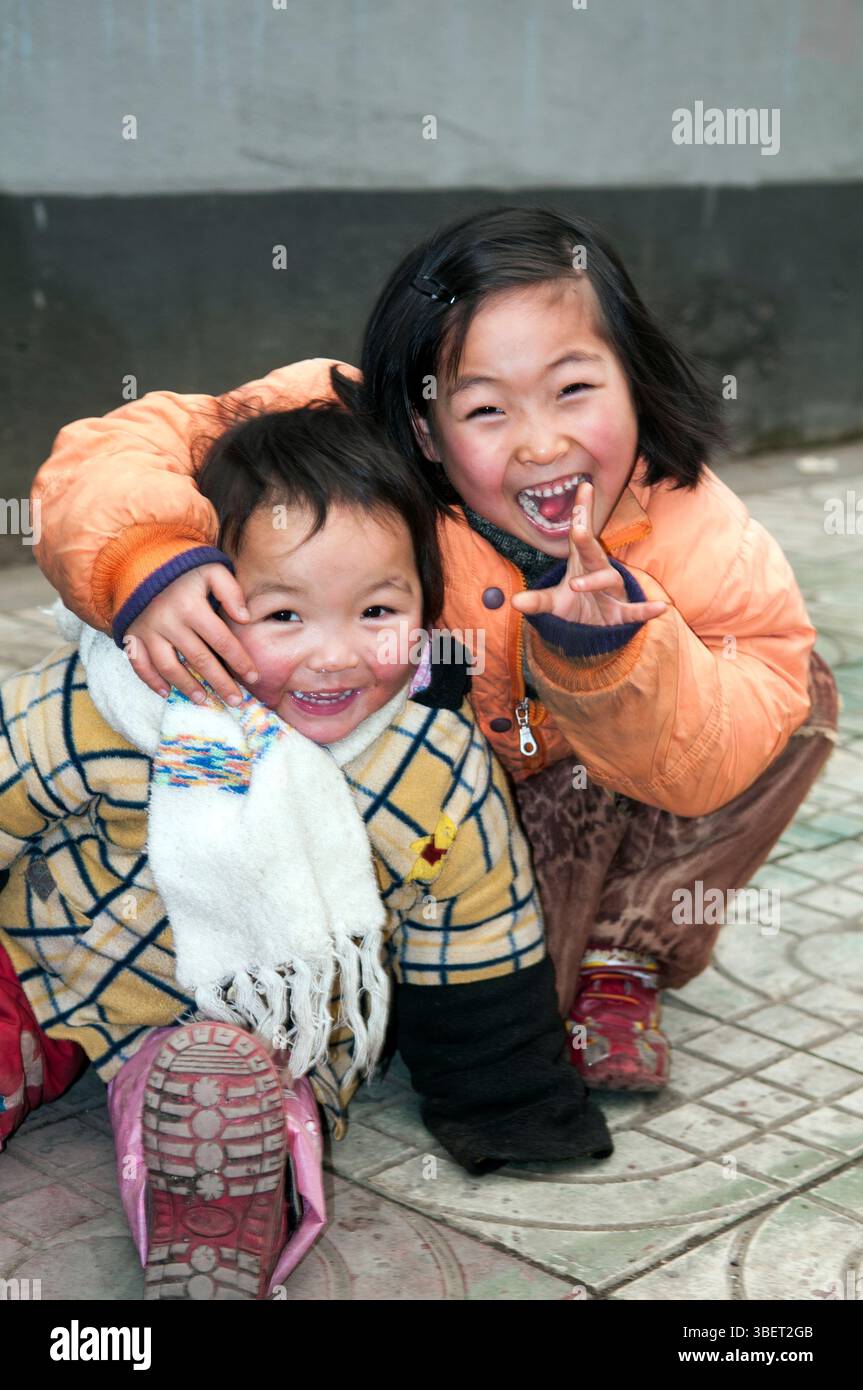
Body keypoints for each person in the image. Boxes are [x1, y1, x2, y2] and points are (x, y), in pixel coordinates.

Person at [31, 205, 838, 1095]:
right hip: (406, 804)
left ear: (635, 384)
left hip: (571, 780)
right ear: (421, 426)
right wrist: (150, 555)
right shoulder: (340, 421)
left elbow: (715, 752)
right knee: (447, 1020)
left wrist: (605, 663)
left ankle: (624, 958)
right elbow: (120, 447)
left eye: (574, 390)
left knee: (801, 693)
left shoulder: (696, 526)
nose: (542, 442)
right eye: (485, 408)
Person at [1, 399, 612, 1301]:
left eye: (377, 609)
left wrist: (507, 1098)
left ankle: (213, 1211)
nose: (337, 657)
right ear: (201, 599)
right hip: (40, 966)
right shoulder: (109, 705)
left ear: (425, 602)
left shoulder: (430, 765)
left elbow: (474, 929)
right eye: (281, 615)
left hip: (256, 1032)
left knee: (258, 1109)